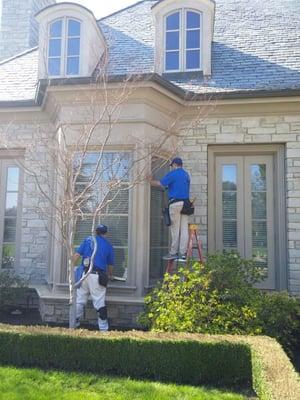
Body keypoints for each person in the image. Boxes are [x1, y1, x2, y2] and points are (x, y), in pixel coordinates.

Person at [73, 224, 114, 331]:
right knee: (99, 303)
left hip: (84, 275)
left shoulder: (88, 240)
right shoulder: (108, 245)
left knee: (80, 300)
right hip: (97, 276)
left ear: (95, 232)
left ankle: (74, 324)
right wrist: (110, 275)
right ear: (105, 233)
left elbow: (76, 256)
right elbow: (110, 265)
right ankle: (104, 330)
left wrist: (70, 268)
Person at [150, 157, 190, 261]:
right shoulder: (186, 175)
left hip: (175, 203)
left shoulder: (173, 174)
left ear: (175, 164)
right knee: (184, 229)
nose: (171, 167)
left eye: (172, 165)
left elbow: (160, 183)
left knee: (175, 229)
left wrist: (149, 181)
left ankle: (173, 253)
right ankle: (183, 253)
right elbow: (175, 187)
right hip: (186, 204)